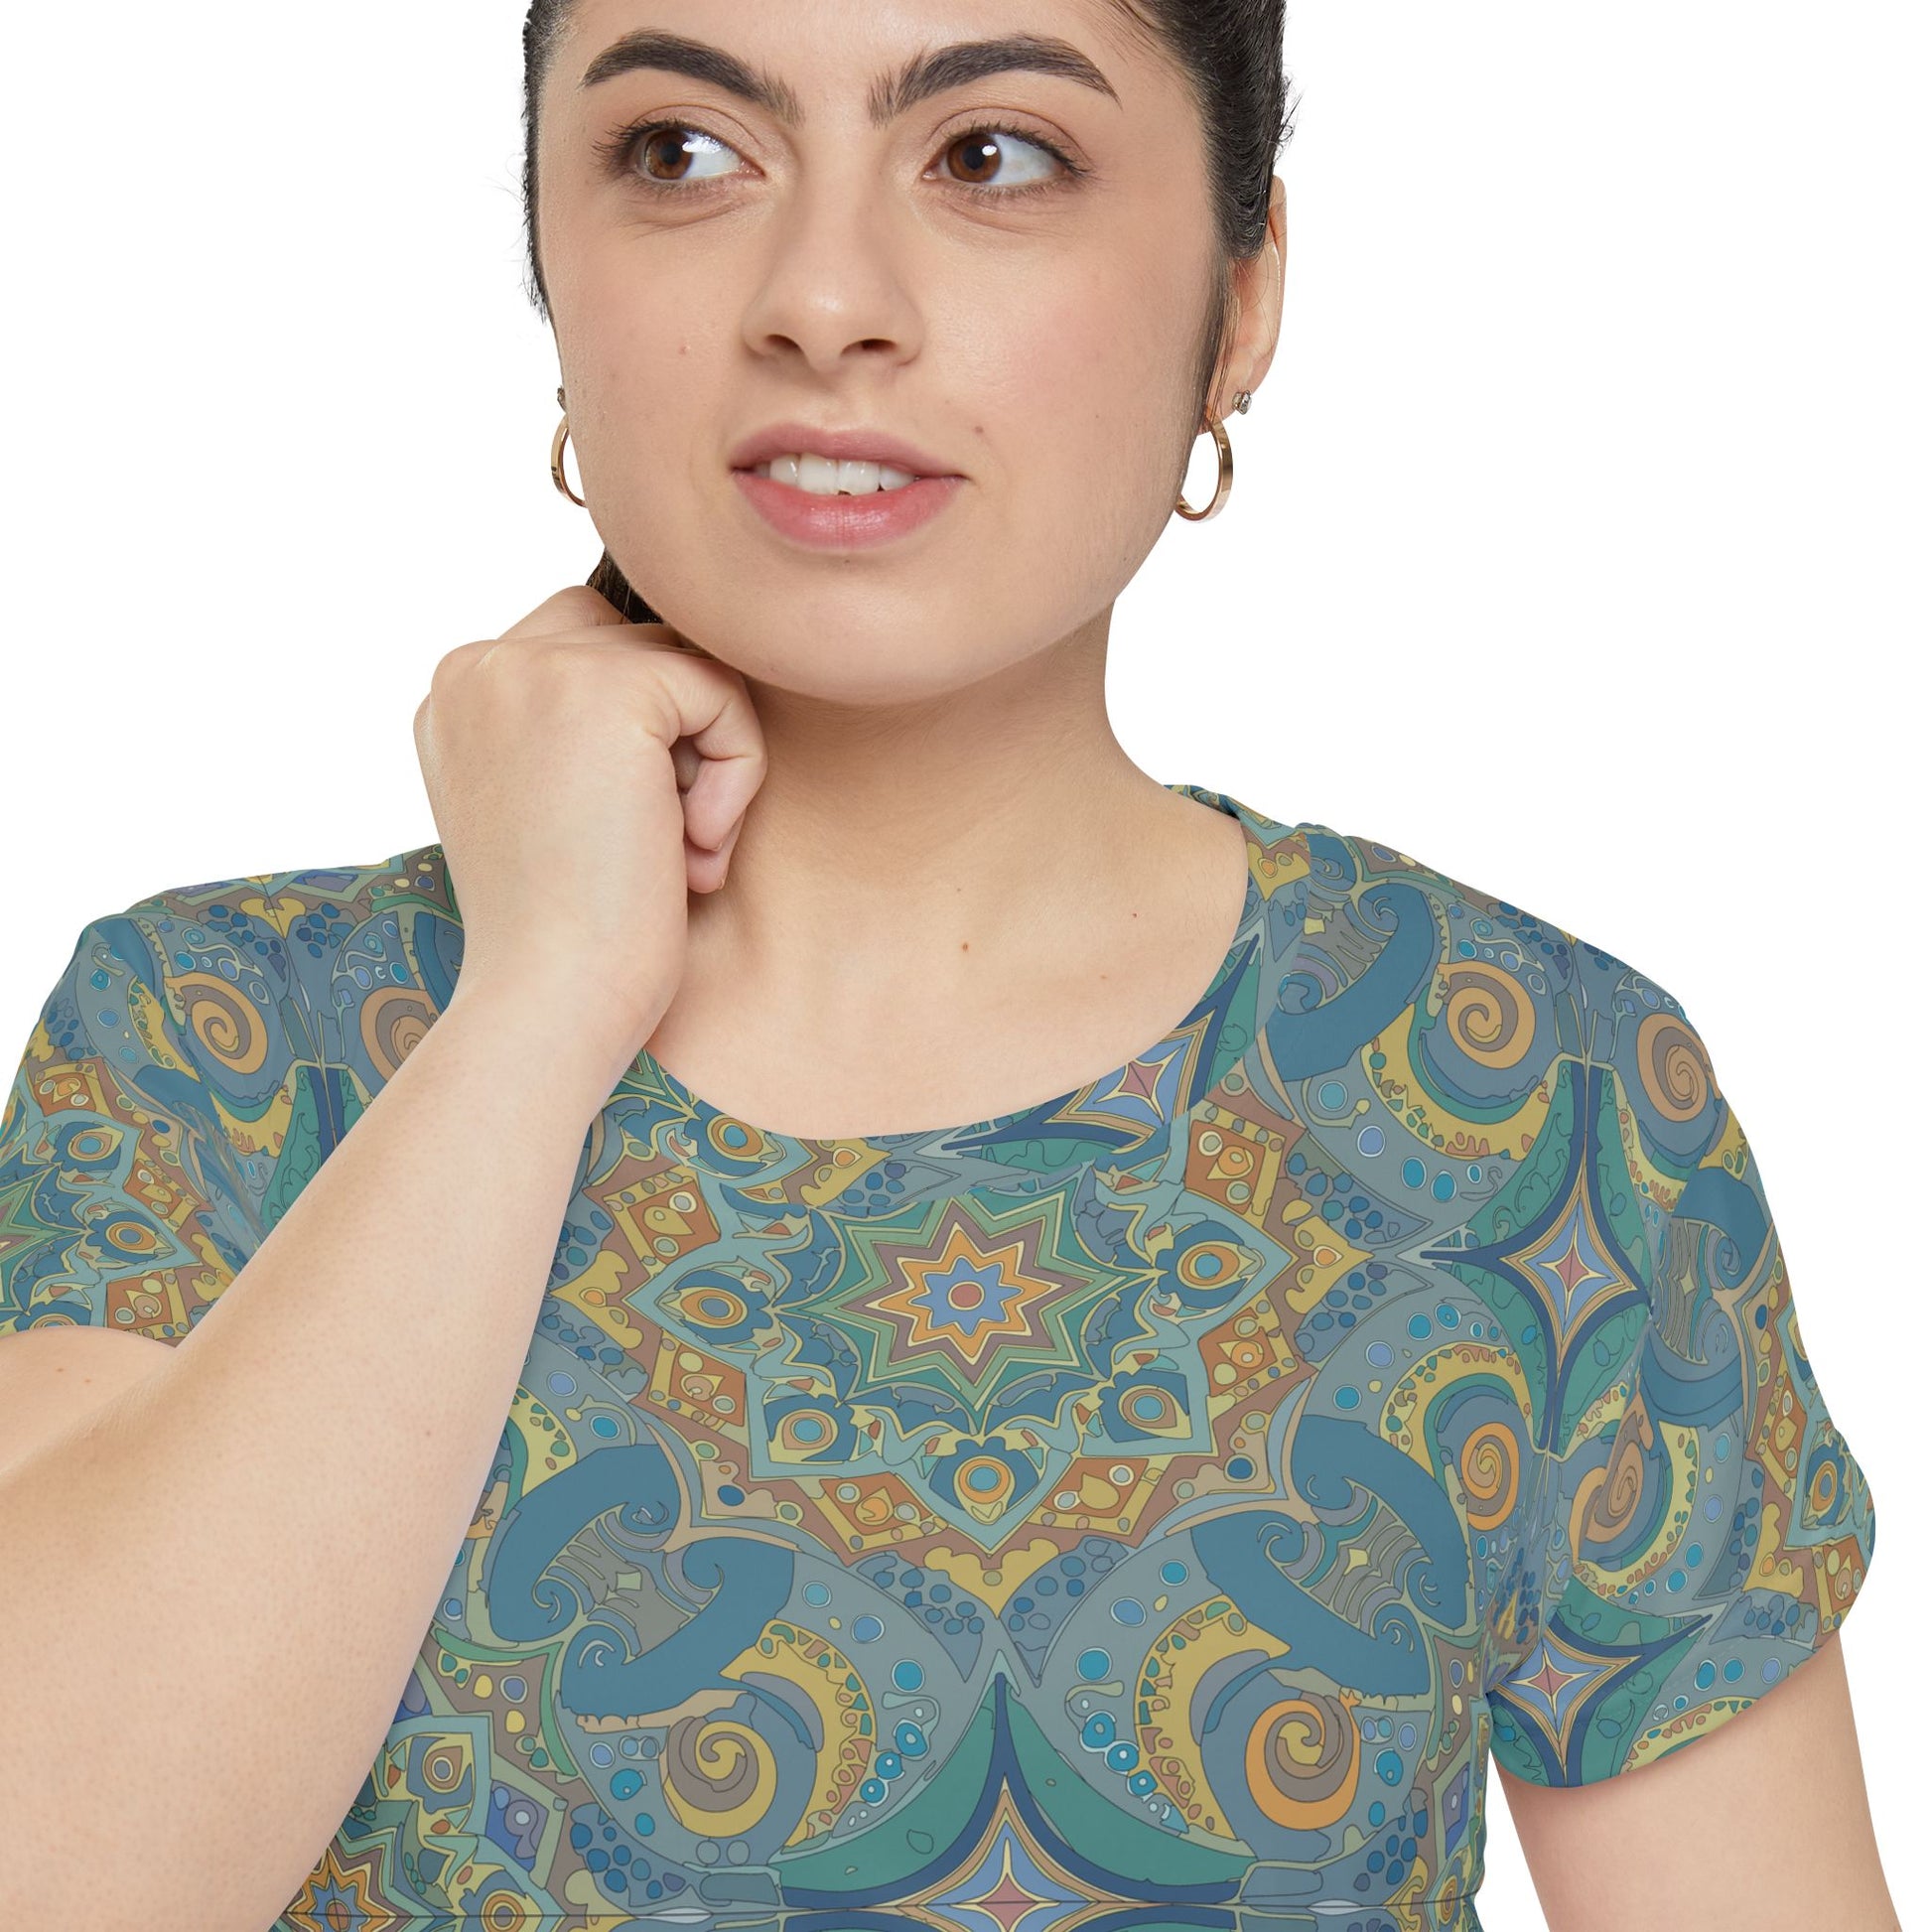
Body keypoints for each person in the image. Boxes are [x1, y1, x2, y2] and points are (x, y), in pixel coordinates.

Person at [0, 3, 1893, 1929]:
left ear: (1240, 296)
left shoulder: (1530, 1100)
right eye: (682, 154)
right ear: (549, 262)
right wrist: (540, 996)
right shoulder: (217, 1048)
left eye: (992, 156)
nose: (822, 301)